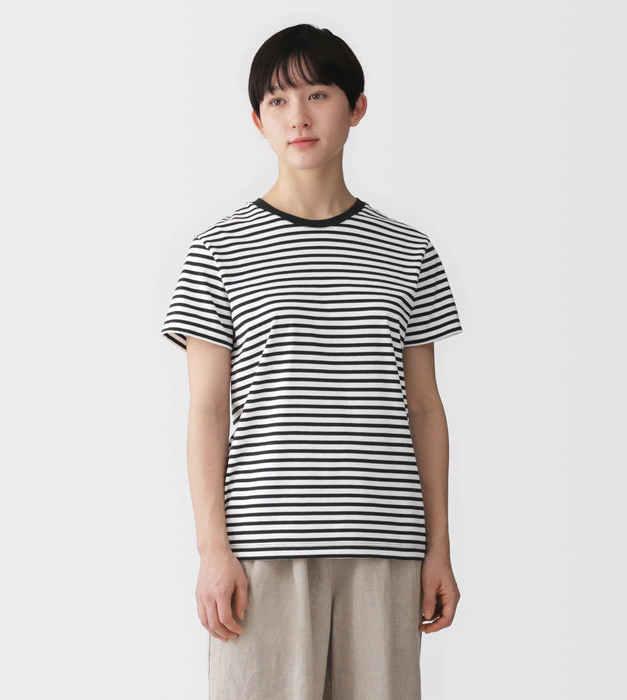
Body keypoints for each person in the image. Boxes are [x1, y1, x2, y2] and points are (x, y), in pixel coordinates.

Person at [161, 23, 464, 700]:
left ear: (357, 108)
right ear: (257, 121)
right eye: (277, 101)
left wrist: (438, 547)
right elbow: (207, 410)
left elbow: (424, 408)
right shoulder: (217, 252)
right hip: (262, 549)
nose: (297, 116)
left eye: (318, 94)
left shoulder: (409, 252)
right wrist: (213, 549)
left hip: (384, 543)